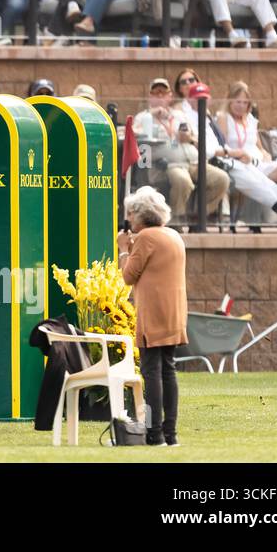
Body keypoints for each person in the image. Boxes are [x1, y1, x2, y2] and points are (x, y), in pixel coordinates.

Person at [178, 81, 277, 226]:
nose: (202, 102)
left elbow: (219, 143)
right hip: (216, 161)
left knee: (266, 183)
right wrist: (231, 152)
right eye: (197, 99)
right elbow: (201, 145)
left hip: (234, 159)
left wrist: (238, 153)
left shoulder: (206, 117)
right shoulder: (187, 117)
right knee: (257, 185)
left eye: (204, 98)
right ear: (189, 99)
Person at [118, 186, 187, 446]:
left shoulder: (146, 238)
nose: (128, 220)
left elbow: (127, 276)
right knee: (168, 371)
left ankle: (153, 432)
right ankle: (170, 434)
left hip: (153, 315)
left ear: (139, 214)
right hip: (174, 313)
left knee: (151, 373)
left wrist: (124, 248)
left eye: (130, 215)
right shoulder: (173, 235)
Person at [133, 76, 227, 223]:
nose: (160, 97)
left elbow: (197, 139)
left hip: (193, 161)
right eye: (156, 93)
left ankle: (198, 216)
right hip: (167, 164)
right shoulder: (143, 116)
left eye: (163, 93)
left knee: (221, 179)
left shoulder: (179, 115)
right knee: (182, 181)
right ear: (149, 97)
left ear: (170, 97)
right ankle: (177, 219)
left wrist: (188, 137)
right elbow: (134, 133)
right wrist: (152, 113)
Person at [215, 81, 277, 207]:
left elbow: (259, 147)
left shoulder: (250, 119)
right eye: (238, 101)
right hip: (241, 166)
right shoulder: (224, 118)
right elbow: (223, 146)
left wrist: (265, 154)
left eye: (245, 102)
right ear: (230, 101)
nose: (241, 106)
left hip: (259, 164)